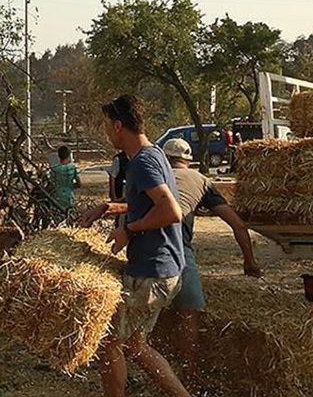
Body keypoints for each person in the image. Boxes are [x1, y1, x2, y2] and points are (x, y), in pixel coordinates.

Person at [95, 94, 190, 397]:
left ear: (118, 125)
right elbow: (147, 203)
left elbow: (171, 211)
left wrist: (129, 230)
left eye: (107, 126)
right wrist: (111, 208)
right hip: (164, 267)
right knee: (136, 345)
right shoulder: (154, 153)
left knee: (109, 342)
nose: (106, 133)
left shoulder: (141, 164)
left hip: (152, 271)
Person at [162, 138, 262, 360]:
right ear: (189, 160)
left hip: (144, 248)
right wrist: (250, 261)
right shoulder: (201, 181)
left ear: (165, 158)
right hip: (178, 250)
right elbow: (238, 225)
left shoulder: (153, 177)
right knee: (189, 314)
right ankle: (187, 368)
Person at [48, 145, 81, 220]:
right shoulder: (72, 168)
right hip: (69, 196)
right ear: (69, 155)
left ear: (58, 156)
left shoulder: (54, 169)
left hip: (57, 196)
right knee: (70, 216)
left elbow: (51, 183)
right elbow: (79, 184)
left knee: (58, 217)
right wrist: (70, 186)